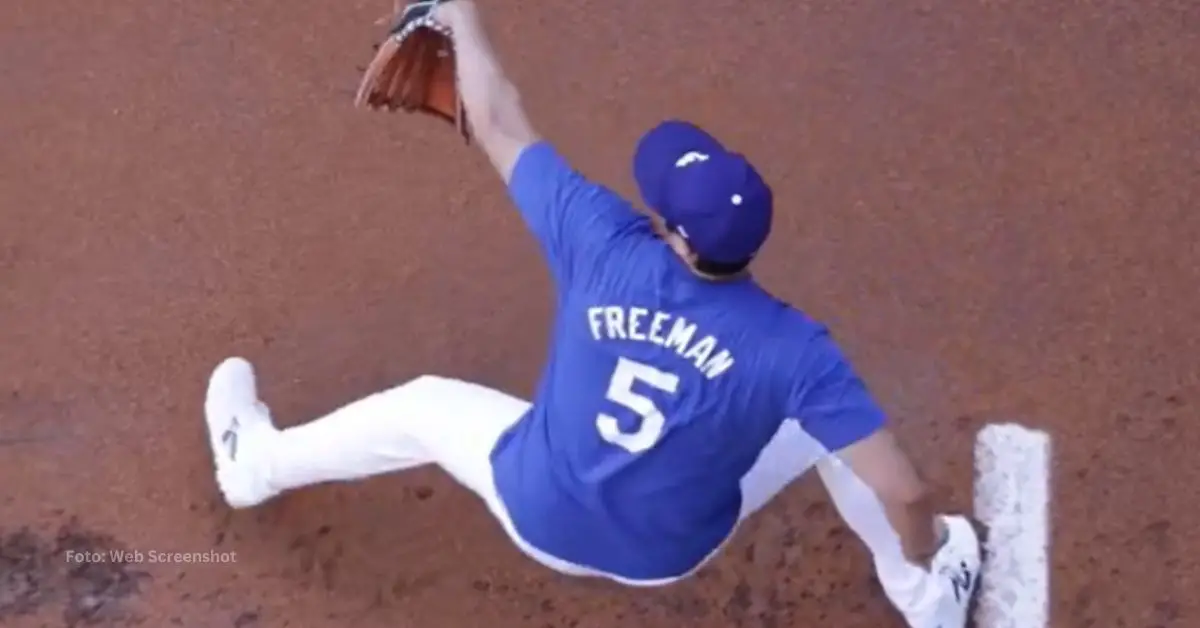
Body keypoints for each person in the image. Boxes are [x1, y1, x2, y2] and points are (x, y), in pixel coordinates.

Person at [202, 1, 981, 626]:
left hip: (536, 512)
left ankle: (254, 467)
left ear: (675, 239)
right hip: (668, 555)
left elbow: (500, 119)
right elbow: (906, 492)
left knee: (423, 407)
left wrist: (458, 12)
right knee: (833, 437)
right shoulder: (797, 352)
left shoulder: (602, 240)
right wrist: (926, 544)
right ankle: (928, 599)